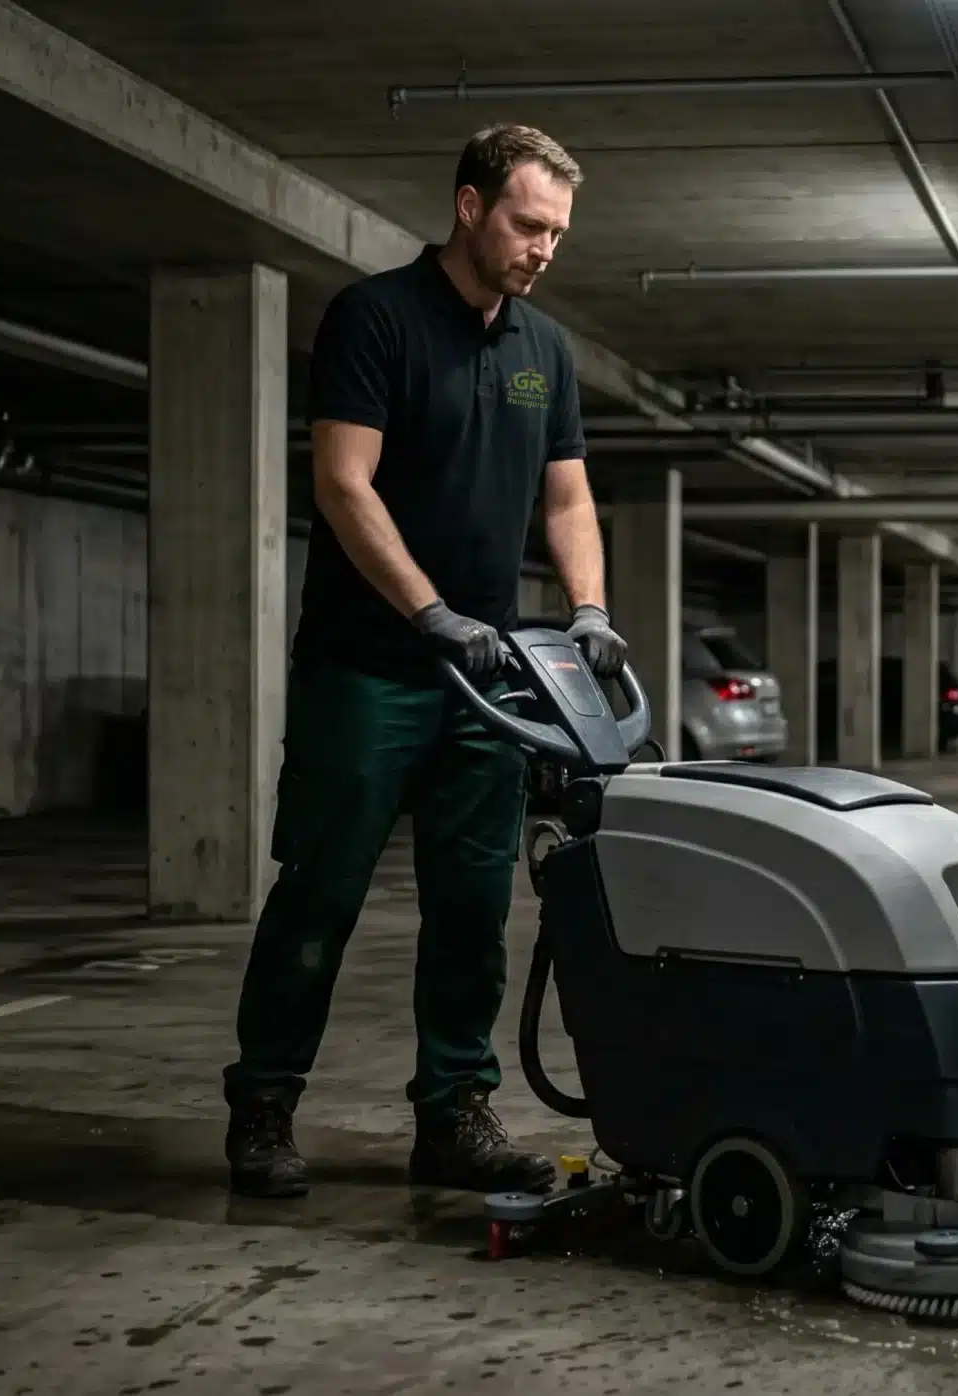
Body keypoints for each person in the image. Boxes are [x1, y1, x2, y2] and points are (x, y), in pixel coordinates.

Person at [221, 124, 628, 1198]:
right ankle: (264, 1105)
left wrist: (588, 609)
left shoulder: (545, 351)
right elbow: (342, 482)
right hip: (367, 668)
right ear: (469, 206)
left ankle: (453, 1114)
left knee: (472, 907)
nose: (543, 248)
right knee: (320, 893)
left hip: (487, 683)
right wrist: (427, 611)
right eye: (528, 224)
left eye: (558, 233)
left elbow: (567, 497)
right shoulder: (376, 318)